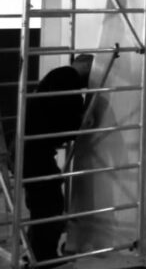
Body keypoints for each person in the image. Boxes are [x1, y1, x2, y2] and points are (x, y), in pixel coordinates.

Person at [23, 55, 93, 266]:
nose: (90, 79)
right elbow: (64, 114)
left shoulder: (58, 77)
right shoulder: (66, 77)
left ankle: (36, 254)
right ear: (86, 64)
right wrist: (80, 122)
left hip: (33, 149)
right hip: (34, 150)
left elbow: (56, 114)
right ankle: (43, 257)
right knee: (49, 203)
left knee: (43, 203)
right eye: (92, 70)